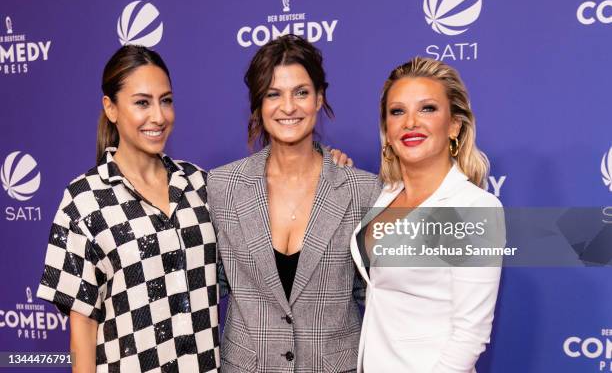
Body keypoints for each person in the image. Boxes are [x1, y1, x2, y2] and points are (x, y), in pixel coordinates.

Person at [37, 45, 220, 372]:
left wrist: (321, 164)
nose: (159, 116)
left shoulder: (200, 184)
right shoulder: (84, 201)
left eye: (166, 100)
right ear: (111, 108)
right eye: (142, 103)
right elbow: (82, 330)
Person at [207, 34, 381, 372]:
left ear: (319, 99)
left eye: (301, 92)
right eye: (274, 94)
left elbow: (380, 299)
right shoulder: (221, 187)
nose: (288, 107)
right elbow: (205, 287)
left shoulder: (363, 191)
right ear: (258, 105)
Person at [351, 57, 504, 372]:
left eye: (427, 109)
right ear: (387, 130)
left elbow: (470, 334)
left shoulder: (475, 209)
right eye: (397, 112)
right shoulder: (384, 195)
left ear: (454, 126)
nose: (410, 123)